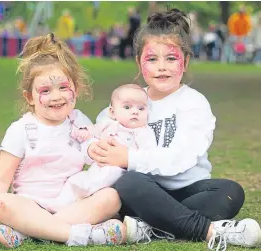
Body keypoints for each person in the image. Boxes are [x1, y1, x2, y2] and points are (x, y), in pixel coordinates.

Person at [88, 9, 261, 251]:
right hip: (141, 192)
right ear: (139, 62)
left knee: (230, 192)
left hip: (187, 191)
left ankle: (151, 227)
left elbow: (182, 158)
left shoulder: (194, 103)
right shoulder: (130, 99)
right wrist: (97, 147)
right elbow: (103, 130)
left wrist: (129, 157)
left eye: (171, 58)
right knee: (129, 183)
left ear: (185, 61)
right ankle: (208, 230)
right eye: (152, 59)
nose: (162, 67)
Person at [0, 33, 126, 249]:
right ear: (30, 97)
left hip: (73, 202)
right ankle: (85, 235)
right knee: (0, 204)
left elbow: (94, 153)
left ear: (76, 90)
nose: (56, 96)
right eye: (45, 90)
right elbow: (0, 178)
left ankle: (28, 232)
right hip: (30, 204)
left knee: (111, 197)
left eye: (63, 87)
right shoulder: (20, 130)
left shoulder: (79, 121)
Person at [50, 84, 157, 211]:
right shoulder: (108, 124)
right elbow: (93, 132)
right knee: (76, 180)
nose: (135, 111)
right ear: (112, 112)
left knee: (110, 175)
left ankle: (85, 198)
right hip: (96, 169)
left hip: (119, 172)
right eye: (127, 107)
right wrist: (85, 132)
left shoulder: (143, 132)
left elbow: (149, 155)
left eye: (141, 108)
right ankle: (58, 205)